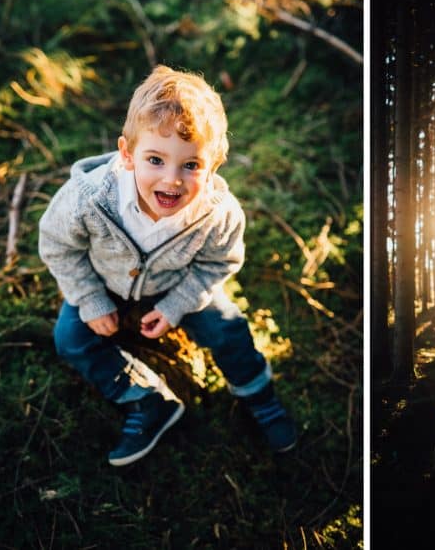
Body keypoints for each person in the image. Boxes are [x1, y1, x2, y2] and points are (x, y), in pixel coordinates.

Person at [39, 65, 297, 466]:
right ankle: (146, 400)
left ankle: (258, 395)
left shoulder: (218, 215)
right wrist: (90, 298)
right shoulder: (88, 199)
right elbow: (58, 246)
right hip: (105, 283)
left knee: (225, 325)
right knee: (70, 338)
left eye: (191, 166)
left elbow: (218, 264)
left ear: (214, 166)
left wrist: (177, 304)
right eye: (155, 160)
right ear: (128, 154)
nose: (172, 181)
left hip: (176, 284)